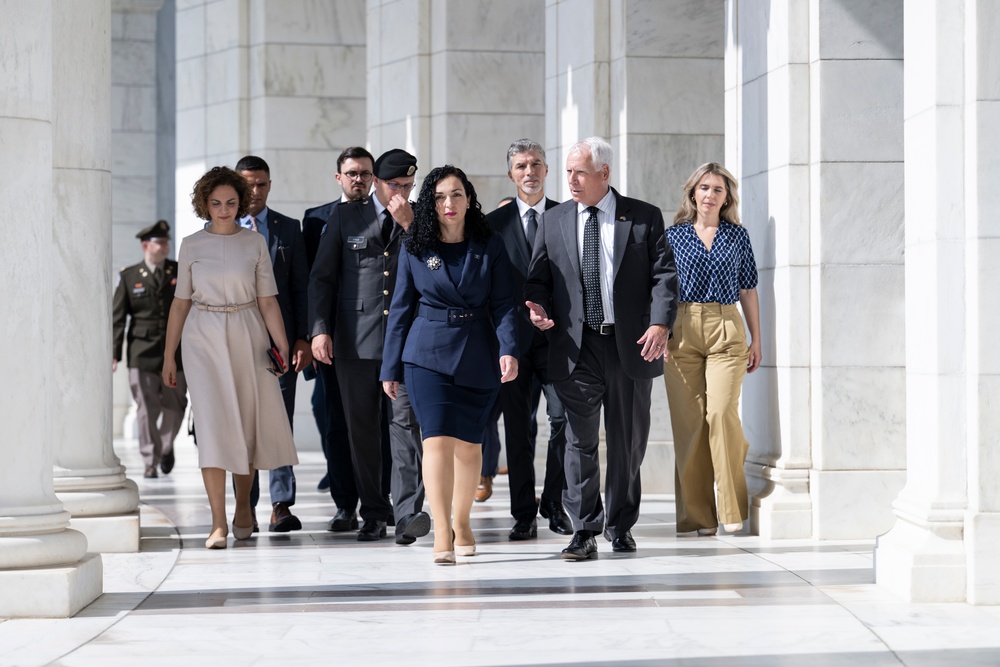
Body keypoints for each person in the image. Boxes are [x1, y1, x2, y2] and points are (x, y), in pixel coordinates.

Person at [524, 137, 678, 560]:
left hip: (630, 345)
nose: (570, 180)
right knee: (579, 441)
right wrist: (536, 306)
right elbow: (539, 276)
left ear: (604, 174)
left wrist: (661, 323)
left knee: (628, 441)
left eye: (579, 172)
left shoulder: (643, 217)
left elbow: (664, 277)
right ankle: (584, 529)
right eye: (568, 171)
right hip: (576, 345)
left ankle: (621, 524)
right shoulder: (553, 220)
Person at [381, 165, 519, 565]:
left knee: (470, 446)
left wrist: (507, 348)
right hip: (427, 355)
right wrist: (390, 366)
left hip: (478, 352)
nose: (449, 203)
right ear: (430, 204)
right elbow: (401, 309)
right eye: (440, 196)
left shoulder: (489, 245)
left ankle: (462, 521)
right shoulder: (415, 246)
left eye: (456, 194)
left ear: (469, 199)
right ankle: (442, 529)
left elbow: (504, 303)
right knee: (436, 440)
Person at [162, 166, 298, 549]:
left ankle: (243, 508)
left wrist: (282, 343)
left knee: (246, 426)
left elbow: (268, 300)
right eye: (216, 203)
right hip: (202, 339)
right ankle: (217, 522)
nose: (224, 209)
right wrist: (169, 357)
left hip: (248, 335)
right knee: (211, 428)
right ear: (204, 204)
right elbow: (179, 305)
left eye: (231, 203)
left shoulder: (254, 243)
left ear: (241, 203)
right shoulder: (190, 245)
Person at [309, 149, 427, 544]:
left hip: (406, 340)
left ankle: (407, 510)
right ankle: (373, 512)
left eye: (409, 186)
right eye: (395, 185)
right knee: (361, 431)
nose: (402, 193)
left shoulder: (418, 217)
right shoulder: (344, 216)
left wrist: (410, 226)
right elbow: (322, 278)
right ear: (377, 180)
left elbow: (434, 266)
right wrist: (319, 329)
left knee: (404, 427)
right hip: (354, 341)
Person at [663, 162, 760, 536]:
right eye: (704, 188)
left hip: (725, 327)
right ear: (693, 193)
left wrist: (757, 338)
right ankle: (698, 516)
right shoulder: (673, 237)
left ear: (726, 197)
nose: (710, 195)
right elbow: (662, 289)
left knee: (720, 414)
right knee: (689, 426)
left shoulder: (737, 236)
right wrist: (660, 331)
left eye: (717, 189)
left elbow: (748, 288)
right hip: (681, 329)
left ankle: (731, 507)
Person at [484, 139, 572, 540]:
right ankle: (523, 513)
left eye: (536, 164)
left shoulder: (568, 216)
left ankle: (553, 501)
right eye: (521, 166)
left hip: (559, 340)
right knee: (518, 429)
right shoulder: (491, 226)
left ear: (547, 170)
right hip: (512, 344)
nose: (529, 172)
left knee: (563, 422)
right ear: (511, 175)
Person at [233, 155, 311, 534]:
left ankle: (281, 504)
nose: (255, 191)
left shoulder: (287, 229)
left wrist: (301, 338)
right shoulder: (216, 230)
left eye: (262, 183)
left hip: (279, 345)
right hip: (233, 344)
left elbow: (300, 287)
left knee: (279, 423)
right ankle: (244, 506)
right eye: (248, 183)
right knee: (242, 425)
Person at [301, 146, 372, 516]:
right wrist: (315, 332)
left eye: (364, 172)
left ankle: (380, 501)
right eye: (351, 173)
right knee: (336, 422)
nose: (358, 179)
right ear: (338, 177)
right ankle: (345, 503)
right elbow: (315, 282)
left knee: (381, 422)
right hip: (332, 339)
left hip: (376, 337)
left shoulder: (386, 215)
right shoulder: (315, 220)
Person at [112, 220, 188, 479]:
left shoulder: (179, 272)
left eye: (167, 242)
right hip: (141, 352)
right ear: (146, 245)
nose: (165, 246)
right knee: (146, 408)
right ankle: (150, 459)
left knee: (175, 405)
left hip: (176, 352)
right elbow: (118, 317)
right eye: (160, 242)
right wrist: (114, 353)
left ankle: (165, 447)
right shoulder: (130, 275)